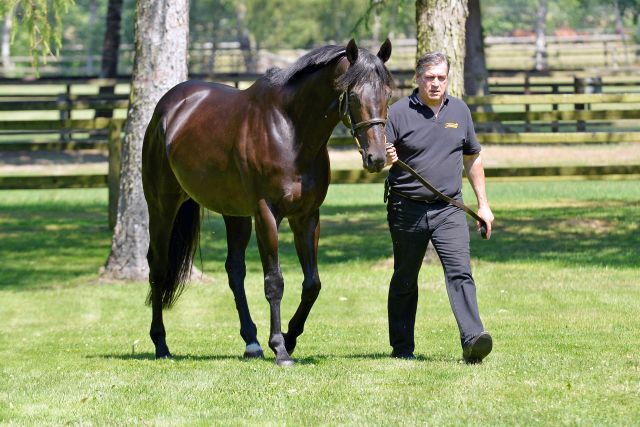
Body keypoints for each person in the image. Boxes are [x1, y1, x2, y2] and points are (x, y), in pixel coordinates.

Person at [384, 52, 494, 363]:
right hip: (406, 208)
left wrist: (483, 206)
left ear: (448, 78)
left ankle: (474, 339)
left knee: (461, 272)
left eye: (441, 78)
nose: (435, 84)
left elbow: (473, 158)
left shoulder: (459, 110)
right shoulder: (397, 113)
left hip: (449, 209)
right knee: (405, 277)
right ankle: (402, 348)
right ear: (417, 78)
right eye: (430, 77)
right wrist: (385, 159)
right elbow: (374, 161)